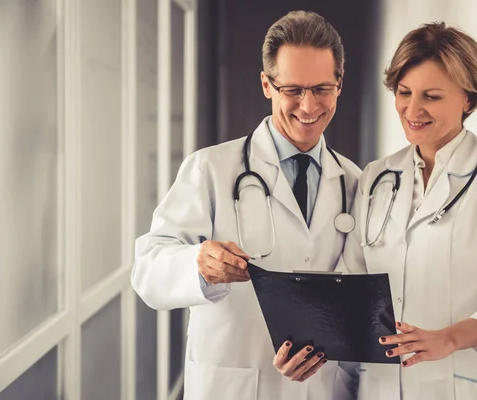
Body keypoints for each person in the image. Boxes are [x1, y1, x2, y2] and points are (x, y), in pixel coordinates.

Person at [274, 22, 477, 399]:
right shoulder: (376, 177)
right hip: (379, 386)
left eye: (432, 96)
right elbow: (352, 282)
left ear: (468, 99)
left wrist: (447, 339)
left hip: (459, 385)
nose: (412, 109)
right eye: (404, 93)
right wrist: (308, 347)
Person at [131, 10, 362, 400]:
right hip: (233, 384)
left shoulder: (355, 183)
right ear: (267, 85)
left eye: (322, 89)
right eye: (293, 90)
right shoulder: (211, 169)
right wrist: (198, 265)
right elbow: (147, 271)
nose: (308, 107)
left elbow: (359, 294)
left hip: (320, 386)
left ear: (340, 84)